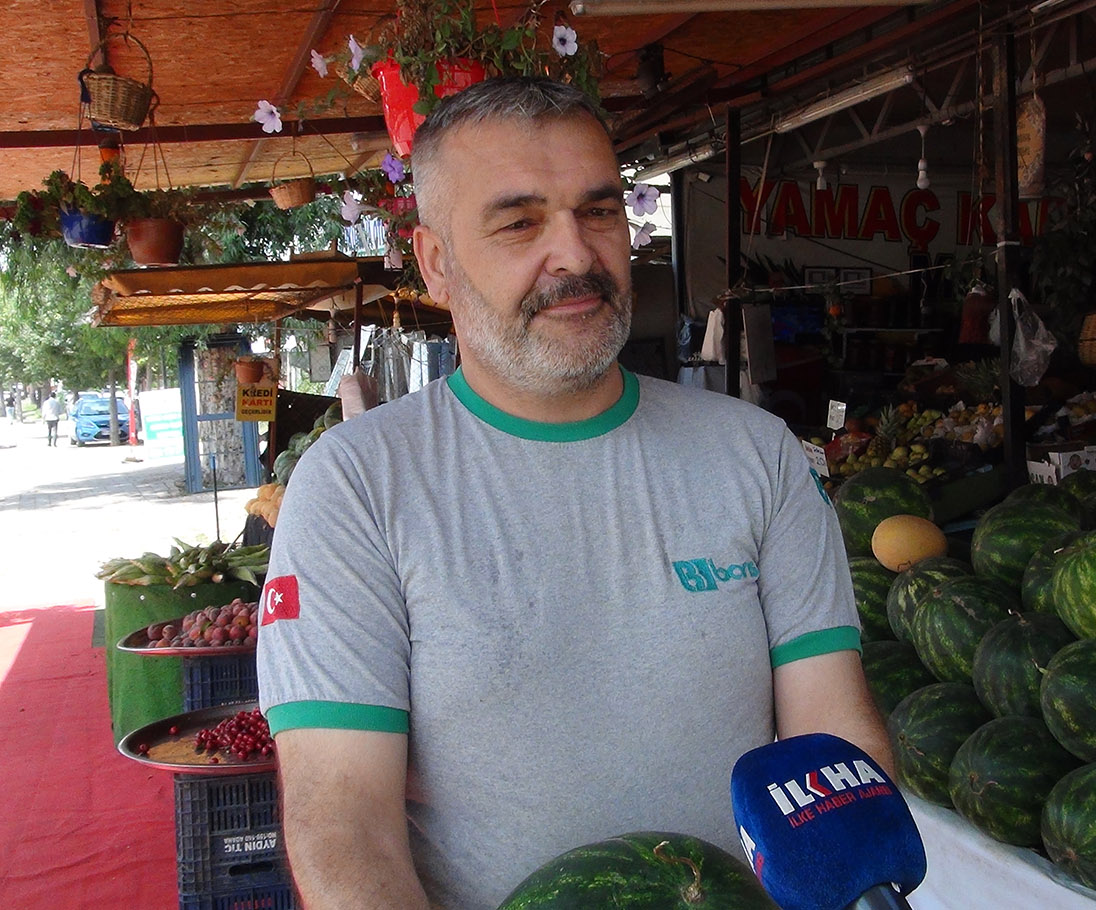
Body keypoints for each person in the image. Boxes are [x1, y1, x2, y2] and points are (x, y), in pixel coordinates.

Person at [257, 77, 891, 910]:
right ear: (437, 263)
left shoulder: (756, 455)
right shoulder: (357, 489)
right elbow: (344, 824)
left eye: (598, 211)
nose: (577, 255)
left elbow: (832, 738)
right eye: (520, 222)